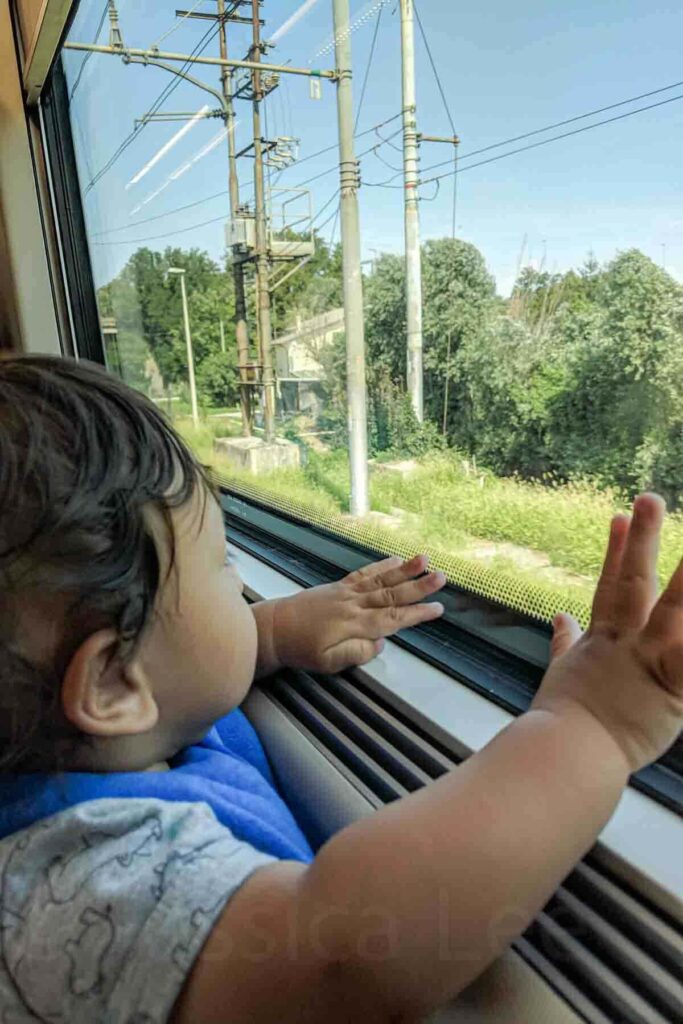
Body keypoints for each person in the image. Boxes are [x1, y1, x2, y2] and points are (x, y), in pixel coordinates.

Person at [0, 354, 679, 1024]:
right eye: (221, 562)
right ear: (114, 684)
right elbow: (344, 958)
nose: (240, 583)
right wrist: (589, 724)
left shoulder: (79, 741)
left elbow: (179, 664)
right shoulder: (88, 887)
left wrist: (269, 635)